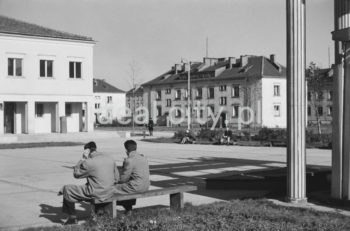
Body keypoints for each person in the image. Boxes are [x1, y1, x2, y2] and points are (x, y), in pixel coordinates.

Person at [58, 142, 118, 225]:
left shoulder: (89, 162)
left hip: (96, 192)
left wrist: (82, 159)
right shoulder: (110, 158)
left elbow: (77, 174)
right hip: (110, 190)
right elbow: (117, 178)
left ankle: (72, 218)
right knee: (91, 186)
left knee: (67, 189)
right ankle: (99, 211)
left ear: (87, 150)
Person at [113, 140, 150, 214]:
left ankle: (107, 209)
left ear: (126, 150)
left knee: (111, 188)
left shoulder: (129, 160)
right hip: (146, 186)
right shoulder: (143, 158)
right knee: (126, 188)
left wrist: (115, 180)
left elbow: (123, 179)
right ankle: (128, 209)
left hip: (136, 187)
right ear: (136, 148)